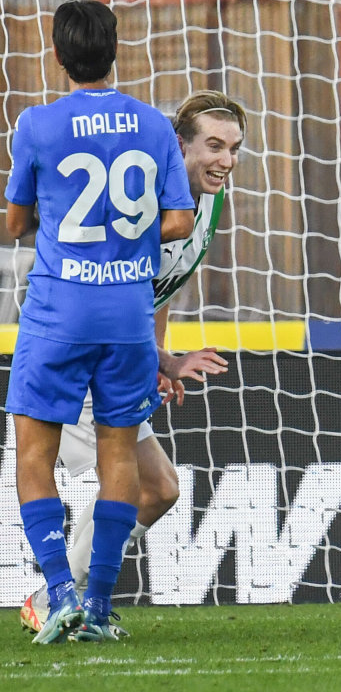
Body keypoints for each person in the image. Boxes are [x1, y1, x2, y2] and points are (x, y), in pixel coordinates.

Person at [17, 90, 245, 636]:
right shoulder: (140, 204)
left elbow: (158, 294)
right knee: (148, 482)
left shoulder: (203, 205)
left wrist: (160, 364)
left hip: (125, 352)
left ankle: (58, 598)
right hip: (80, 346)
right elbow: (114, 292)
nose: (226, 161)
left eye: (235, 148)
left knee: (160, 488)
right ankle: (55, 597)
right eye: (213, 146)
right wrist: (164, 359)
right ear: (177, 147)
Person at [5, 0, 195, 644]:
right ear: (116, 51)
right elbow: (180, 220)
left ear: (58, 56)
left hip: (59, 310)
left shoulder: (37, 123)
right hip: (127, 313)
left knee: (34, 451)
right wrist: (125, 242)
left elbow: (14, 223)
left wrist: (56, 225)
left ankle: (59, 592)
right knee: (120, 450)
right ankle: (101, 606)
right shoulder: (151, 124)